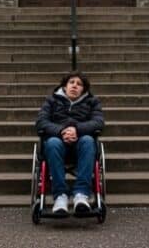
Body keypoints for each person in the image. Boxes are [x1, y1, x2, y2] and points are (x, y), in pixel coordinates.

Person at [35, 71, 104, 215]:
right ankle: (60, 196)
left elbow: (98, 122)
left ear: (83, 89)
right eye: (71, 82)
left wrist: (76, 130)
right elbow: (41, 122)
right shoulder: (51, 101)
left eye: (79, 84)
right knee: (52, 142)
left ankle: (81, 195)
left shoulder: (92, 102)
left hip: (82, 144)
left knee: (88, 140)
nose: (75, 86)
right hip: (57, 143)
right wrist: (61, 131)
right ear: (64, 86)